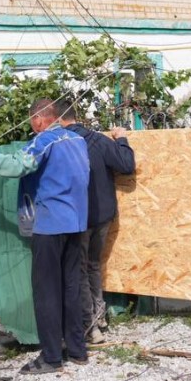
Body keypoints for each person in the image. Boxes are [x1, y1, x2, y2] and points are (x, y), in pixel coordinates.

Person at [0, 98, 90, 374]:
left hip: (51, 225)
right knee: (71, 287)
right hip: (76, 224)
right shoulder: (77, 141)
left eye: (31, 121)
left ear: (40, 118)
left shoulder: (44, 141)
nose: (31, 126)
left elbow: (19, 165)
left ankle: (51, 357)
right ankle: (77, 350)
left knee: (47, 291)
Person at [57, 99, 135, 344]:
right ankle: (99, 318)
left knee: (79, 270)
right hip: (103, 216)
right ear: (77, 115)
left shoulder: (61, 144)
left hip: (78, 219)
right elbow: (126, 165)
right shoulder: (99, 140)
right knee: (93, 265)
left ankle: (90, 327)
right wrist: (121, 139)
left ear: (59, 120)